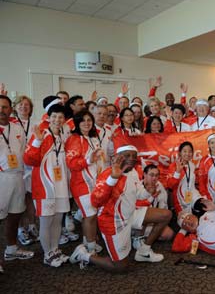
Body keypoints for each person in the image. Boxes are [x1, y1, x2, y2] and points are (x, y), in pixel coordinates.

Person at [70, 145, 172, 272]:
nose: (131, 159)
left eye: (134, 156)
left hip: (130, 214)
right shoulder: (108, 174)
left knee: (166, 215)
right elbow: (96, 201)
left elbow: (138, 193)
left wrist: (148, 192)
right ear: (118, 157)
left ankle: (143, 252)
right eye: (127, 155)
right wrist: (113, 179)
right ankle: (83, 255)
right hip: (113, 222)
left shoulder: (133, 172)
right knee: (120, 267)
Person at [23, 103, 70, 267]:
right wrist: (37, 141)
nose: (58, 119)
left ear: (64, 120)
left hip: (61, 186)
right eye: (54, 116)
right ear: (48, 118)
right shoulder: (41, 135)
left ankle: (55, 249)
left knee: (57, 220)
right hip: (44, 186)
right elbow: (29, 160)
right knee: (46, 221)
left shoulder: (61, 137)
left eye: (61, 117)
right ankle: (47, 253)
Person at [0, 95, 34, 273]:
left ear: (10, 109)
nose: (2, 110)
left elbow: (24, 151)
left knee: (15, 214)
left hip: (18, 176)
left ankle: (11, 249)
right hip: (1, 178)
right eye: (0, 107)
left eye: (5, 107)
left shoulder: (16, 127)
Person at [65, 110, 104, 254]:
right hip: (80, 183)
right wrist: (89, 160)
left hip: (94, 183)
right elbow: (72, 163)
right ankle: (90, 248)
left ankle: (88, 242)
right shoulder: (74, 139)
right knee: (90, 215)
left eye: (89, 120)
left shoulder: (93, 138)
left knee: (93, 214)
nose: (87, 123)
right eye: (83, 120)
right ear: (77, 123)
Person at [12, 96, 39, 244]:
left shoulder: (36, 124)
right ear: (15, 108)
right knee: (18, 199)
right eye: (20, 104)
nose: (24, 107)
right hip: (16, 167)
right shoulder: (11, 123)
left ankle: (32, 225)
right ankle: (20, 229)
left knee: (30, 197)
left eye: (27, 104)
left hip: (31, 167)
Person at [133, 164, 174, 249]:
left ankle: (142, 239)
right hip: (136, 222)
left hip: (152, 222)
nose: (154, 178)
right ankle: (138, 239)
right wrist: (150, 198)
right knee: (143, 215)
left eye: (156, 175)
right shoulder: (137, 186)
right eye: (151, 175)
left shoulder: (159, 187)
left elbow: (163, 209)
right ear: (144, 174)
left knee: (168, 234)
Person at [167, 141, 204, 220]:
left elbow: (193, 183)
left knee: (204, 207)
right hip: (179, 200)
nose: (187, 153)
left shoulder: (192, 165)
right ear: (180, 153)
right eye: (185, 151)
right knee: (188, 223)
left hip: (193, 195)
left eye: (190, 151)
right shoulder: (173, 166)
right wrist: (177, 172)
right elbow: (170, 185)